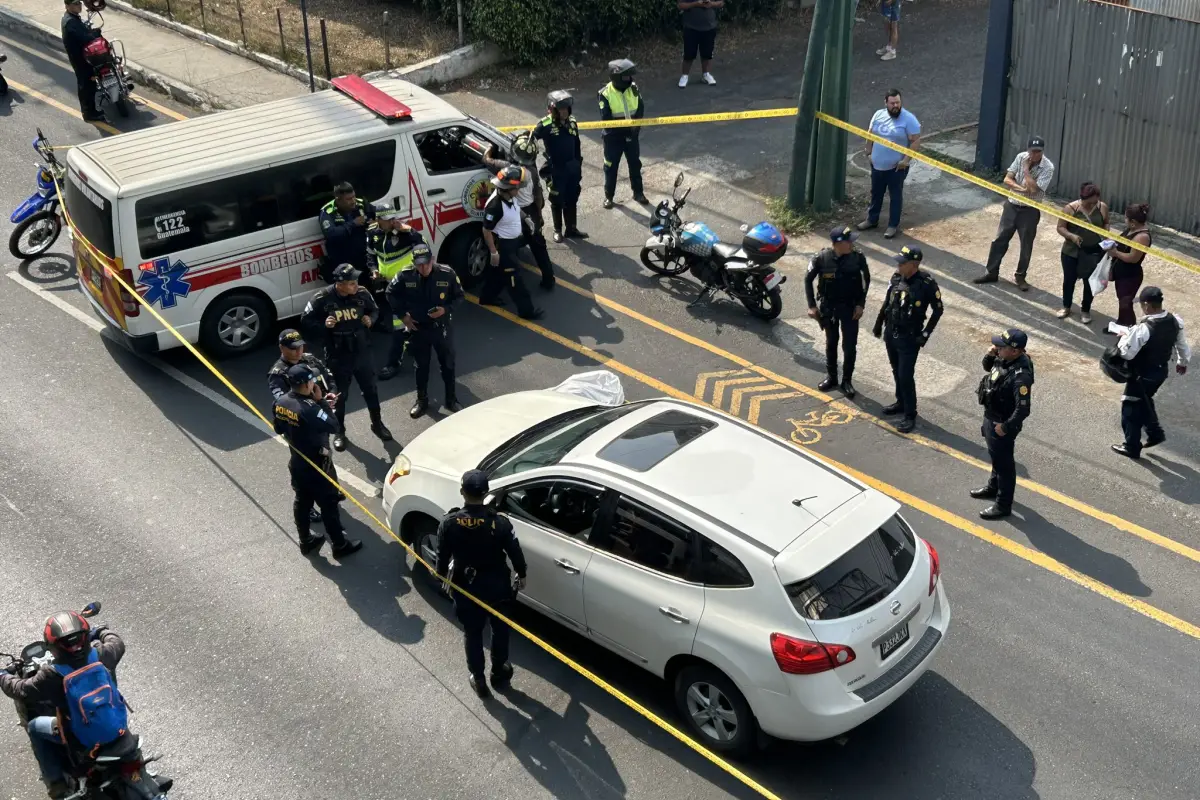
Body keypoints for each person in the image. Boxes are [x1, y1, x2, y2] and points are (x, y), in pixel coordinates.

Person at [1, 611, 127, 799]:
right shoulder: (102, 654)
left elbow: (19, 689)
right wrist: (99, 631)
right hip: (118, 727)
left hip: (80, 739)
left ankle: (56, 785)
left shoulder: (52, 675)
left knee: (35, 728)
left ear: (54, 648)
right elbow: (116, 641)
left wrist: (3, 675)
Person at [436, 470, 528, 699]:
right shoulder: (500, 523)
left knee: (473, 633)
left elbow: (442, 556)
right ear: (486, 493)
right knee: (500, 630)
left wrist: (441, 578)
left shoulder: (449, 523)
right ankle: (500, 671)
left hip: (466, 587)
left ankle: (478, 678)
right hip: (497, 587)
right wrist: (522, 574)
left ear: (462, 492)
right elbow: (515, 553)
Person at [273, 363, 364, 557]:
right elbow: (333, 425)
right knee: (329, 504)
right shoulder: (310, 409)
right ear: (306, 384)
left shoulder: (280, 402)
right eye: (312, 380)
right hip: (318, 466)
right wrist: (321, 403)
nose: (315, 383)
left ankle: (305, 541)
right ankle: (339, 545)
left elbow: (278, 429)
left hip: (297, 462)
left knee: (302, 501)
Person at [299, 263, 393, 450]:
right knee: (339, 396)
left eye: (356, 281)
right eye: (351, 283)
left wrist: (371, 320)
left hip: (362, 352)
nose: (355, 285)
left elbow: (374, 310)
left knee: (371, 390)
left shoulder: (362, 293)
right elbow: (306, 322)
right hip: (338, 356)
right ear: (340, 284)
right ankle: (340, 431)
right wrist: (324, 325)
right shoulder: (322, 298)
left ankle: (377, 424)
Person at [268, 328, 343, 523]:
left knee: (325, 455)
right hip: (299, 427)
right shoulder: (277, 374)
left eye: (300, 347)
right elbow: (284, 401)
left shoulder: (310, 359)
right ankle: (305, 503)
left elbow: (328, 376)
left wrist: (331, 394)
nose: (298, 352)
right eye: (293, 349)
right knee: (303, 466)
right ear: (281, 348)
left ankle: (331, 489)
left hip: (319, 417)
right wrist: (318, 403)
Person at [1111, 286, 1190, 459]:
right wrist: (1182, 362)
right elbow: (1182, 345)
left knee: (1130, 407)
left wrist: (1124, 337)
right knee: (1145, 399)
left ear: (1147, 305)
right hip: (1160, 372)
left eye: (1141, 304)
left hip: (1141, 374)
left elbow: (1127, 353)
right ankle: (1154, 432)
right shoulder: (1175, 320)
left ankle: (1131, 446)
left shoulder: (1145, 329)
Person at [387, 243, 464, 418]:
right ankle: (422, 400)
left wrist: (446, 309)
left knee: (448, 365)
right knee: (421, 366)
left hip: (441, 328)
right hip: (418, 329)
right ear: (414, 262)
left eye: (427, 263)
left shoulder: (447, 273)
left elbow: (459, 296)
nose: (424, 268)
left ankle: (451, 400)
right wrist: (403, 316)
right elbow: (390, 293)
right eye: (419, 264)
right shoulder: (405, 275)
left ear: (433, 259)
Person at [873, 245, 943, 433]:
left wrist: (925, 334)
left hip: (910, 337)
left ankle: (910, 413)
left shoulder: (926, 284)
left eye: (902, 263)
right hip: (892, 332)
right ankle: (901, 402)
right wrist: (879, 323)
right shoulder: (896, 278)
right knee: (896, 371)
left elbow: (938, 309)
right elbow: (887, 302)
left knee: (905, 375)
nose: (898, 266)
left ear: (913, 265)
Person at [971, 329, 1035, 520]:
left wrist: (1004, 427)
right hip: (992, 415)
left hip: (1002, 423)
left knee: (1005, 466)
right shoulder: (1004, 358)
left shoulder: (1021, 375)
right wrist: (989, 355)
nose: (997, 348)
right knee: (996, 457)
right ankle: (993, 487)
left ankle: (1002, 504)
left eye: (1001, 347)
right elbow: (988, 368)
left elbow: (1023, 409)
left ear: (1015, 351)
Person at [975, 136, 1055, 290]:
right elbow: (1007, 179)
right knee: (999, 240)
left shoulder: (1048, 167)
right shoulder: (1020, 157)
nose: (1035, 155)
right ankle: (991, 272)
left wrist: (1025, 170)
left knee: (1026, 245)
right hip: (1011, 206)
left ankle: (1020, 277)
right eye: (1032, 151)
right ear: (1028, 149)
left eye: (1038, 152)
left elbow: (1034, 189)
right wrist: (1022, 189)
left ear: (1042, 152)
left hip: (1029, 211)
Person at [805, 225, 872, 397]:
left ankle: (847, 381)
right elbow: (808, 279)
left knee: (849, 346)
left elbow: (865, 281)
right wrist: (812, 306)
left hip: (850, 309)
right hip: (829, 308)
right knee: (831, 343)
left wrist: (860, 304)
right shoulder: (821, 258)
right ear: (838, 243)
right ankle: (832, 377)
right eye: (849, 241)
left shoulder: (858, 258)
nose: (852, 244)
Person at [483, 133, 556, 290]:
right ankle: (549, 280)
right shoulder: (533, 172)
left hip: (515, 213)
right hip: (531, 211)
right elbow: (538, 197)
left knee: (509, 248)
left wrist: (489, 147)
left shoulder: (506, 168)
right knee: (539, 247)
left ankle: (505, 284)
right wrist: (539, 216)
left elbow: (486, 160)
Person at [368, 209, 428, 380]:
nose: (393, 222)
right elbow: (370, 255)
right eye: (388, 219)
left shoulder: (406, 234)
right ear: (379, 220)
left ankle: (393, 363)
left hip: (409, 286)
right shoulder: (373, 234)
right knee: (404, 324)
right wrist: (373, 270)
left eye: (394, 218)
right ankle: (412, 341)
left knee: (399, 326)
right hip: (390, 287)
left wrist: (409, 230)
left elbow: (424, 247)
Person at [479, 166, 543, 320]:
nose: (518, 191)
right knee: (515, 280)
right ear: (507, 189)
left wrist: (525, 218)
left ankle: (487, 298)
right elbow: (486, 230)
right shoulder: (495, 207)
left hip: (512, 243)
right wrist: (494, 252)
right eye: (516, 188)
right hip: (504, 247)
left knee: (499, 275)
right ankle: (526, 311)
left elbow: (515, 208)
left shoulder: (509, 196)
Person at [857, 89, 921, 239]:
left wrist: (905, 161)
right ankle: (871, 220)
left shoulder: (909, 119)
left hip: (896, 168)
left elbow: (916, 141)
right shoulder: (878, 115)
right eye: (892, 103)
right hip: (877, 165)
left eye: (898, 102)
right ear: (885, 103)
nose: (895, 105)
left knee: (895, 196)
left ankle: (893, 226)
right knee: (876, 193)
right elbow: (870, 133)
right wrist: (868, 151)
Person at [533, 91, 587, 243]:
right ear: (552, 109)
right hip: (556, 170)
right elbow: (531, 140)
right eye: (561, 109)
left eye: (566, 109)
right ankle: (558, 230)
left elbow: (577, 145)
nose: (564, 112)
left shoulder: (572, 122)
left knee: (572, 198)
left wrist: (578, 164)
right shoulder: (545, 125)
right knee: (557, 200)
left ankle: (571, 229)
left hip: (572, 169)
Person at [1054, 182, 1109, 323]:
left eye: (1095, 202)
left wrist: (1106, 234)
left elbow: (1106, 223)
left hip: (1093, 252)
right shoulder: (1071, 208)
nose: (1092, 205)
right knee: (1069, 280)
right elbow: (1060, 227)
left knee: (1089, 283)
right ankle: (1066, 306)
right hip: (1071, 252)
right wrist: (1072, 236)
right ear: (1083, 198)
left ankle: (1085, 310)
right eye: (1089, 203)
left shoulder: (1102, 207)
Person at [598, 59, 649, 209]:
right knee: (611, 167)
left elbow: (640, 108)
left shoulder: (633, 88)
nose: (630, 79)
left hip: (632, 136)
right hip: (613, 138)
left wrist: (636, 128)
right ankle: (609, 196)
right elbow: (606, 118)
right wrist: (625, 131)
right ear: (616, 77)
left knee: (635, 164)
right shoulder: (604, 94)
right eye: (626, 77)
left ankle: (638, 193)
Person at [1104, 203, 1152, 329]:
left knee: (1126, 302)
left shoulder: (1141, 237)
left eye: (1126, 218)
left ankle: (1129, 327)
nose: (1124, 220)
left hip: (1130, 275)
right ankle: (1121, 323)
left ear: (1133, 222)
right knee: (1122, 300)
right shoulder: (1132, 229)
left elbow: (1133, 258)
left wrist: (1115, 253)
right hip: (1121, 272)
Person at [319, 182, 376, 283]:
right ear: (338, 200)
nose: (353, 201)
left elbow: (380, 216)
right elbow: (331, 234)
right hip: (343, 263)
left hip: (365, 259)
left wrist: (374, 223)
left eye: (354, 197)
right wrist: (353, 223)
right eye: (348, 199)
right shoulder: (328, 211)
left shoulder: (361, 204)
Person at [61, 0, 102, 122]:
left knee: (88, 84)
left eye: (79, 3)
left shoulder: (72, 17)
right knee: (87, 86)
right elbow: (85, 37)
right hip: (80, 59)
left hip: (83, 56)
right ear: (67, 6)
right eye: (74, 4)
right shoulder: (70, 22)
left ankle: (90, 111)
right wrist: (96, 33)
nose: (78, 6)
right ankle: (89, 113)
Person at [678, 0, 722, 87]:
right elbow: (680, 5)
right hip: (691, 26)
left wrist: (711, 4)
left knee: (707, 53)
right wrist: (695, 4)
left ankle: (706, 74)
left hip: (709, 26)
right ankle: (685, 76)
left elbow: (721, 3)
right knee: (689, 54)